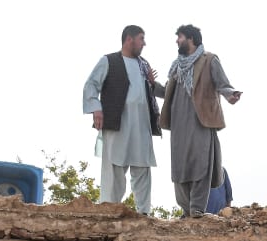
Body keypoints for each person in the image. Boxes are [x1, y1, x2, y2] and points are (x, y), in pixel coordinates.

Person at [160, 24, 242, 218]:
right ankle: (186, 209)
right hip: (179, 122)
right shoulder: (176, 66)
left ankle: (197, 207)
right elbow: (167, 92)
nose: (177, 41)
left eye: (180, 37)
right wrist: (150, 84)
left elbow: (223, 84)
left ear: (191, 39)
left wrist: (231, 95)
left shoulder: (209, 60)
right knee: (180, 167)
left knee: (200, 165)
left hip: (201, 121)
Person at [83, 25, 165, 216]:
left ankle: (144, 213)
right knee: (114, 168)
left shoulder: (143, 64)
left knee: (142, 167)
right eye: (141, 38)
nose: (144, 43)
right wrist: (96, 108)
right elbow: (91, 85)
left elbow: (156, 91)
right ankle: (109, 212)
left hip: (142, 125)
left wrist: (153, 84)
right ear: (129, 39)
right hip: (117, 124)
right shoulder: (108, 61)